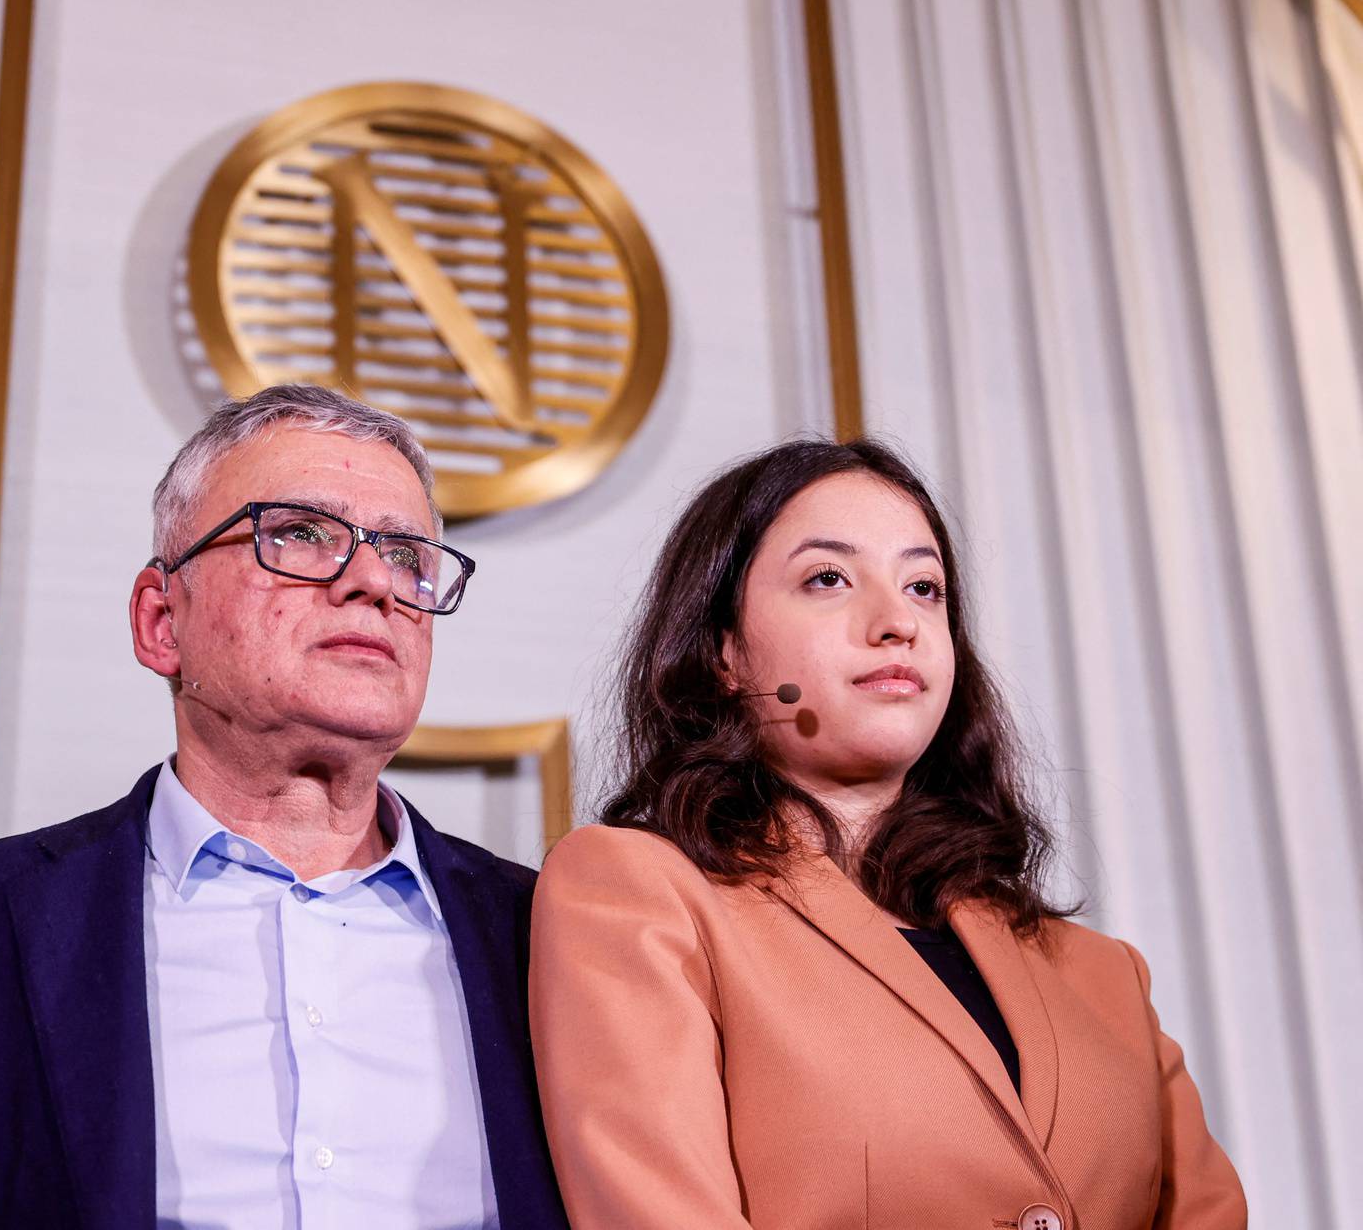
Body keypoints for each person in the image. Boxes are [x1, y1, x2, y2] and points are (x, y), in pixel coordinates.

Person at [0, 385, 569, 1229]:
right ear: (161, 621)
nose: (371, 582)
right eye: (300, 534)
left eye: (405, 554)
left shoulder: (550, 938)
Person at [530, 439, 1245, 1230]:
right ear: (723, 650)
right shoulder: (637, 890)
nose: (897, 620)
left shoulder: (1106, 973)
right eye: (828, 577)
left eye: (925, 586)